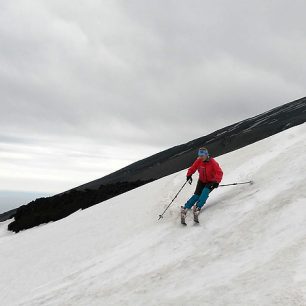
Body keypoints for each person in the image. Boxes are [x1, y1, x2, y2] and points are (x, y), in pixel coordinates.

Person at [181, 147, 223, 221]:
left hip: (211, 181)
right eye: (199, 155)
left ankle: (197, 207)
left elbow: (219, 172)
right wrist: (189, 175)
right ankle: (186, 207)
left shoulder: (213, 162)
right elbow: (193, 168)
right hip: (202, 180)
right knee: (196, 195)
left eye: (202, 156)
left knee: (204, 193)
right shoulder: (199, 161)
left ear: (206, 155)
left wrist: (217, 181)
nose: (200, 157)